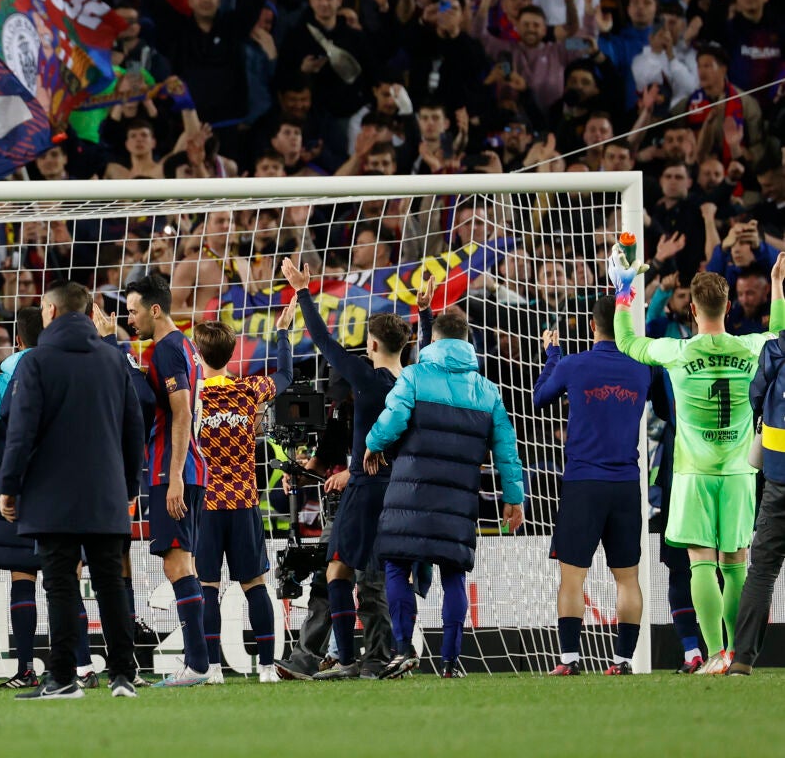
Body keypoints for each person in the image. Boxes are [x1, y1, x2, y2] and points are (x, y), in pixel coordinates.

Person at [612, 255, 785, 675]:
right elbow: (780, 339)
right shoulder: (751, 347)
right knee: (736, 567)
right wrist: (778, 287)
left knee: (701, 565)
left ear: (692, 309)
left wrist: (623, 293)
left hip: (693, 474)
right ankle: (738, 653)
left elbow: (627, 342)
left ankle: (715, 654)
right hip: (739, 473)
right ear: (729, 306)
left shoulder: (677, 351)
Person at [0, 281, 145, 699]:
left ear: (50, 311)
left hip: (51, 495)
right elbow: (134, 429)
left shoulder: (36, 361)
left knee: (60, 584)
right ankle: (123, 674)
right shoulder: (114, 359)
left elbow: (21, 432)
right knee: (110, 582)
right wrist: (129, 486)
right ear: (88, 312)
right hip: (106, 493)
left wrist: (9, 486)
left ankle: (62, 677)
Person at [367, 308, 526, 679]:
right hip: (458, 500)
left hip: (410, 493)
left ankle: (403, 649)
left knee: (397, 565)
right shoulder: (488, 391)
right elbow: (507, 449)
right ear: (467, 342)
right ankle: (451, 661)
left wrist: (373, 444)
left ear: (434, 340)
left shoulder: (414, 376)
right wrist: (513, 497)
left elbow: (393, 420)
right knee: (454, 574)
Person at [0, 306, 98, 690]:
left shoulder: (0, 385)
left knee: (23, 576)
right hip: (66, 490)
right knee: (66, 577)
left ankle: (25, 668)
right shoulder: (71, 375)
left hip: (15, 491)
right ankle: (83, 666)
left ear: (17, 340)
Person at [280, 255, 407, 680]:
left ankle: (348, 660)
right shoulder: (413, 382)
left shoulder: (367, 380)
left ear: (372, 346)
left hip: (364, 488)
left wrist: (303, 291)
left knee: (338, 569)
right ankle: (381, 656)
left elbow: (322, 339)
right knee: (377, 575)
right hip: (399, 489)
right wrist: (425, 315)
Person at [533, 299, 660, 675]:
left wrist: (552, 355)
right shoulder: (643, 367)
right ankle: (623, 661)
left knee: (573, 577)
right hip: (626, 485)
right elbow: (666, 409)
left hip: (583, 484)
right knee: (628, 577)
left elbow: (539, 398)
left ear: (592, 326)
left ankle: (569, 660)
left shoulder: (573, 365)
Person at [118, 272, 211, 687]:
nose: (130, 318)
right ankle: (199, 662)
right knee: (184, 564)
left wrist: (173, 476)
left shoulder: (168, 349)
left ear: (155, 310)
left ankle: (197, 664)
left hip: (173, 469)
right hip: (189, 467)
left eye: (133, 311)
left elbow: (182, 411)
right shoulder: (184, 345)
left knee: (176, 565)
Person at [190, 320, 294, 683]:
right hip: (244, 502)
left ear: (197, 353)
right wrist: (283, 333)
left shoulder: (192, 395)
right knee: (254, 586)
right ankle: (266, 667)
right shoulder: (249, 389)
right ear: (231, 353)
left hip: (206, 505)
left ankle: (212, 669)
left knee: (206, 587)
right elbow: (285, 375)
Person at [735, 311, 785, 674]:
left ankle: (741, 660)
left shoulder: (774, 351)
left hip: (779, 479)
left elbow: (755, 398)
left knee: (762, 570)